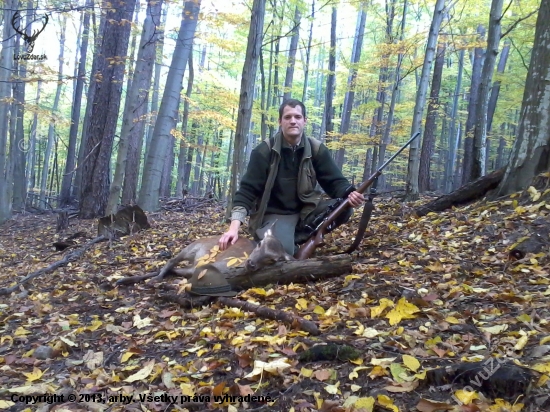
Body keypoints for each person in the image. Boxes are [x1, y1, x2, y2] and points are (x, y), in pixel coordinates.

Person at [219, 99, 364, 256]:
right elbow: (246, 191)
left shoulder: (316, 149)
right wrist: (233, 228)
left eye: (297, 117)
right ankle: (283, 239)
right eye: (287, 117)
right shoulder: (264, 152)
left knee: (343, 207)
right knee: (283, 253)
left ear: (304, 121)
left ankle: (298, 237)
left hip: (306, 212)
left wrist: (350, 194)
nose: (293, 121)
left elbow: (335, 182)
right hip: (275, 215)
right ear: (280, 121)